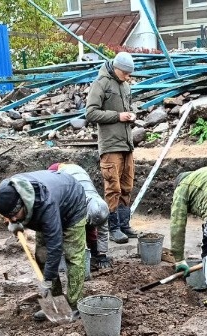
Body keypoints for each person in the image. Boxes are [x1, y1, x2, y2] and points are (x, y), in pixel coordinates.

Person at [0, 170, 88, 319]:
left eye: (15, 214)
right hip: (47, 207)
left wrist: (47, 280)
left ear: (23, 203)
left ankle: (73, 305)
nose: (12, 218)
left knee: (74, 257)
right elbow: (12, 214)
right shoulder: (7, 191)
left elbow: (55, 246)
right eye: (8, 215)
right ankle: (56, 303)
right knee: (42, 256)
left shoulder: (46, 206)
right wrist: (14, 222)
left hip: (72, 204)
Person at [85, 51, 138, 244]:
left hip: (126, 144)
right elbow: (90, 113)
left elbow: (130, 108)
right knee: (113, 187)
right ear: (117, 68)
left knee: (127, 186)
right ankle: (113, 227)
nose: (128, 77)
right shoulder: (101, 83)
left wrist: (132, 115)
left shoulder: (125, 86)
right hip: (110, 146)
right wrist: (118, 116)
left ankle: (124, 224)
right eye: (125, 73)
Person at [48, 162, 112, 270]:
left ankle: (94, 250)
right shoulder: (74, 202)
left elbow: (103, 232)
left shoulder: (102, 208)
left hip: (78, 172)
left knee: (89, 226)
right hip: (57, 172)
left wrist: (101, 254)